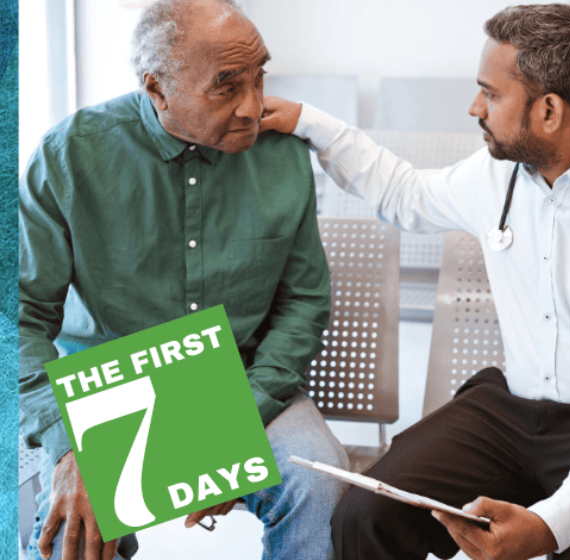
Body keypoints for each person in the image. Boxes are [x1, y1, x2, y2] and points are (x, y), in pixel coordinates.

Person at [19, 1, 349, 559]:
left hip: (244, 384)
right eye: (226, 88)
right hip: (111, 392)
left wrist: (236, 419)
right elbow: (19, 320)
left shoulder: (284, 156)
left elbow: (304, 303)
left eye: (259, 76)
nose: (253, 106)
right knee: (67, 538)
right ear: (157, 87)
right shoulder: (68, 155)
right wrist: (71, 445)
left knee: (323, 485)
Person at [260, 3, 570, 559]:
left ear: (549, 110)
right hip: (512, 412)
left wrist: (550, 526)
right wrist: (307, 121)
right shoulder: (498, 175)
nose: (474, 107)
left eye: (492, 93)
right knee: (366, 516)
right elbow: (404, 192)